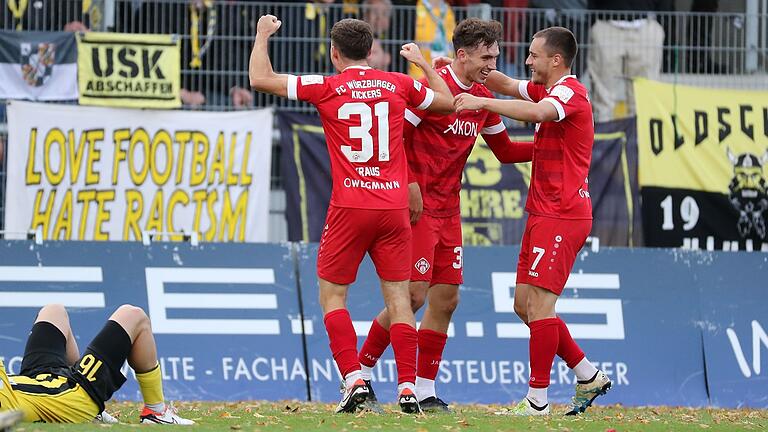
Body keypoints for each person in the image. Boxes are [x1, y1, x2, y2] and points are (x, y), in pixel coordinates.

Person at [249, 15, 454, 414]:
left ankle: (354, 378)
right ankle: (408, 388)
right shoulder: (399, 83)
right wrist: (425, 65)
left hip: (350, 207)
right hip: (394, 208)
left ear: (334, 53)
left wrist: (262, 35)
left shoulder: (327, 86)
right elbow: (446, 103)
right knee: (398, 299)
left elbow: (260, 78)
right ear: (372, 50)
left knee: (333, 295)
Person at [356, 17, 534, 413]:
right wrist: (410, 183)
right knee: (415, 295)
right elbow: (394, 134)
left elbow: (504, 151)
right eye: (486, 56)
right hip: (417, 207)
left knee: (447, 299)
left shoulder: (482, 98)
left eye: (496, 54)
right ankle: (362, 373)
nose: (493, 62)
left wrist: (548, 146)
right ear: (462, 55)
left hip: (449, 208)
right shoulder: (434, 88)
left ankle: (424, 388)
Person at [453, 26, 612, 416]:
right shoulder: (550, 89)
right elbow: (507, 84)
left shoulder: (570, 94)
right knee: (524, 306)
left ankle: (537, 400)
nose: (527, 61)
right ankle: (587, 374)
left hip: (563, 213)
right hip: (543, 212)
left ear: (555, 60)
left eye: (533, 55)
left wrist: (482, 104)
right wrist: (464, 68)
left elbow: (538, 113)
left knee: (541, 306)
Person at [0, 304, 194, 425]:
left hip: (35, 380)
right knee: (134, 315)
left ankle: (97, 413)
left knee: (53, 311)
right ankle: (156, 411)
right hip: (72, 396)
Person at [586, 0, 672, 121]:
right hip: (606, 24)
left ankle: (639, 138)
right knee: (602, 97)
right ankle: (605, 138)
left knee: (643, 97)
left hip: (645, 26)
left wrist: (662, 22)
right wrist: (593, 21)